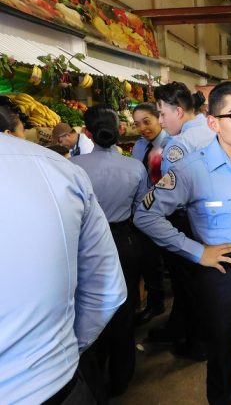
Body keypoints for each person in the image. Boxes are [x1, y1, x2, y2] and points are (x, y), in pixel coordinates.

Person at [134, 81, 231, 405]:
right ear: (213, 122)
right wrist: (196, 251)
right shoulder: (192, 169)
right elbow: (145, 215)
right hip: (220, 277)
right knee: (220, 356)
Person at [0, 113, 127, 404]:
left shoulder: (73, 166)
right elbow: (107, 290)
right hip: (52, 382)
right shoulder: (59, 169)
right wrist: (65, 347)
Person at [71, 106, 148, 397]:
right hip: (124, 239)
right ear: (119, 133)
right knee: (124, 308)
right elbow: (143, 209)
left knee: (87, 305)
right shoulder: (134, 167)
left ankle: (93, 374)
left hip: (85, 243)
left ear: (87, 133)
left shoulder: (74, 167)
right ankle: (121, 376)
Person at [146, 83, 214, 359]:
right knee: (202, 282)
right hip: (214, 219)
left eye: (162, 114)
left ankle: (198, 343)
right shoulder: (212, 130)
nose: (160, 122)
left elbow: (170, 192)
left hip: (187, 220)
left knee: (189, 284)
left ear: (178, 110)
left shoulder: (179, 144)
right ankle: (187, 330)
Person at [131, 103, 168, 325]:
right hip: (144, 211)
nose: (143, 128)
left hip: (167, 211)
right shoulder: (138, 147)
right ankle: (156, 302)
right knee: (150, 258)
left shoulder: (172, 145)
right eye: (137, 124)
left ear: (159, 119)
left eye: (147, 121)